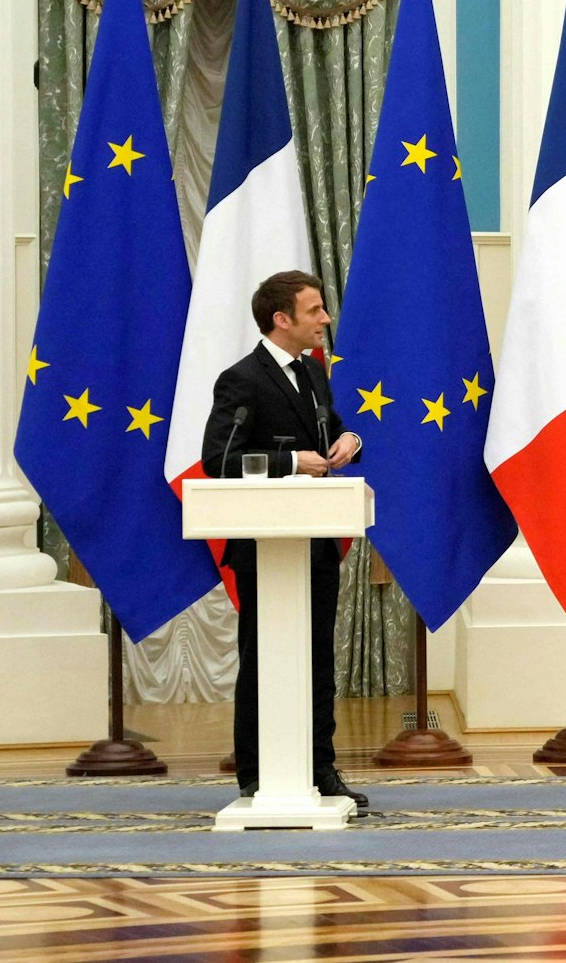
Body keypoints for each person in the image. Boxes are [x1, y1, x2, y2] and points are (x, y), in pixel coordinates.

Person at [199, 271, 367, 807]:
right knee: (262, 654)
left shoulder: (313, 375)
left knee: (317, 656)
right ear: (282, 319)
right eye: (315, 310)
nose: (325, 319)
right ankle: (255, 771)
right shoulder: (241, 379)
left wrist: (350, 440)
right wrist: (293, 462)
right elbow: (217, 459)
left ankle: (322, 767)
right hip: (264, 546)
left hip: (312, 539)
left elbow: (334, 430)